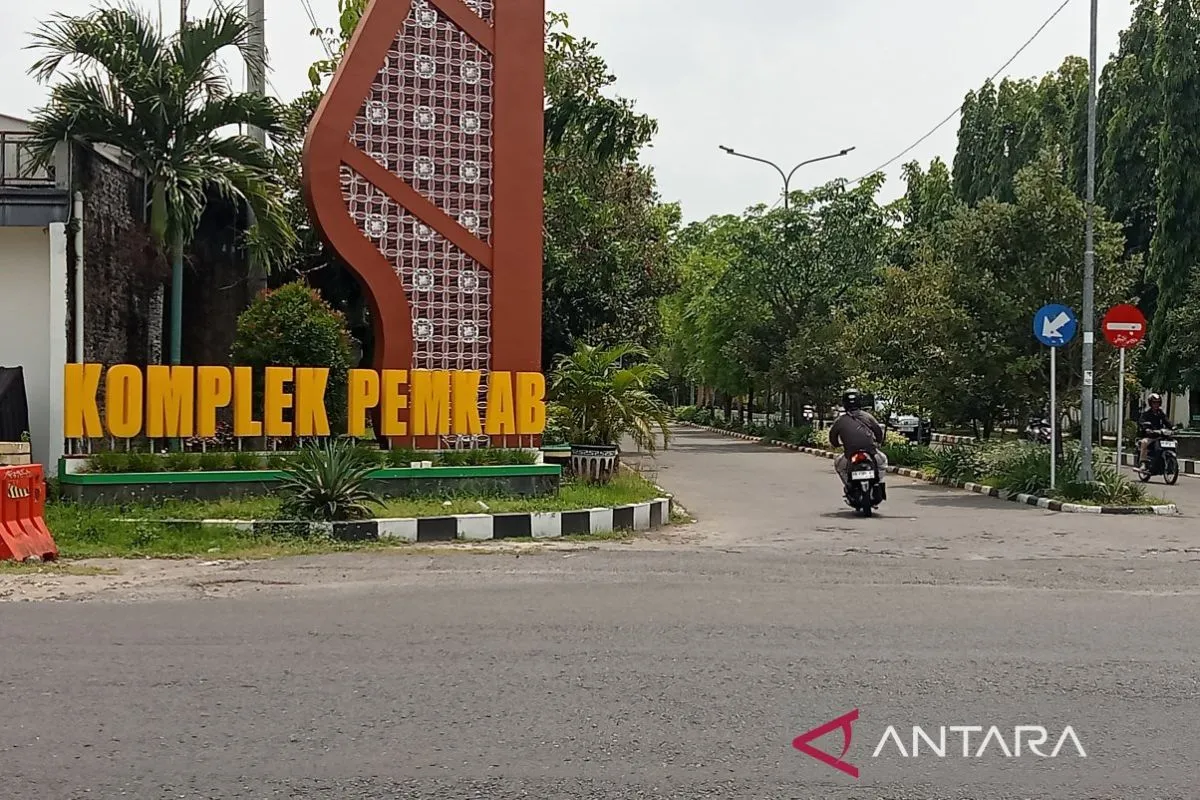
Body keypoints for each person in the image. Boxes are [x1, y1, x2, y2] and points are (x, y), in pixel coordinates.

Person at [830, 389, 888, 491]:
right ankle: (878, 484)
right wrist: (879, 441)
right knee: (882, 463)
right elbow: (878, 431)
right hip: (870, 451)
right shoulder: (868, 416)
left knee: (839, 466)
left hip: (850, 453)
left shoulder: (840, 420)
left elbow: (832, 437)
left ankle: (849, 486)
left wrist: (836, 445)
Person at [1137, 393, 1171, 467]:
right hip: (1150, 436)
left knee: (1174, 442)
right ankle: (1143, 463)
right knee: (1144, 442)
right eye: (1154, 403)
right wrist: (1146, 429)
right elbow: (1141, 422)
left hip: (1160, 436)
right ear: (1150, 403)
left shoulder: (1161, 413)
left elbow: (1167, 422)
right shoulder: (1146, 414)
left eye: (1158, 402)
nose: (1156, 404)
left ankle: (1170, 460)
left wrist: (1172, 428)